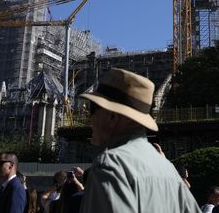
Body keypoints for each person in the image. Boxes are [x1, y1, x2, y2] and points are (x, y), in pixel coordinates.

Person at [79, 68, 199, 213]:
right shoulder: (169, 169)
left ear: (112, 117)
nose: (89, 118)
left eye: (93, 110)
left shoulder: (111, 165)